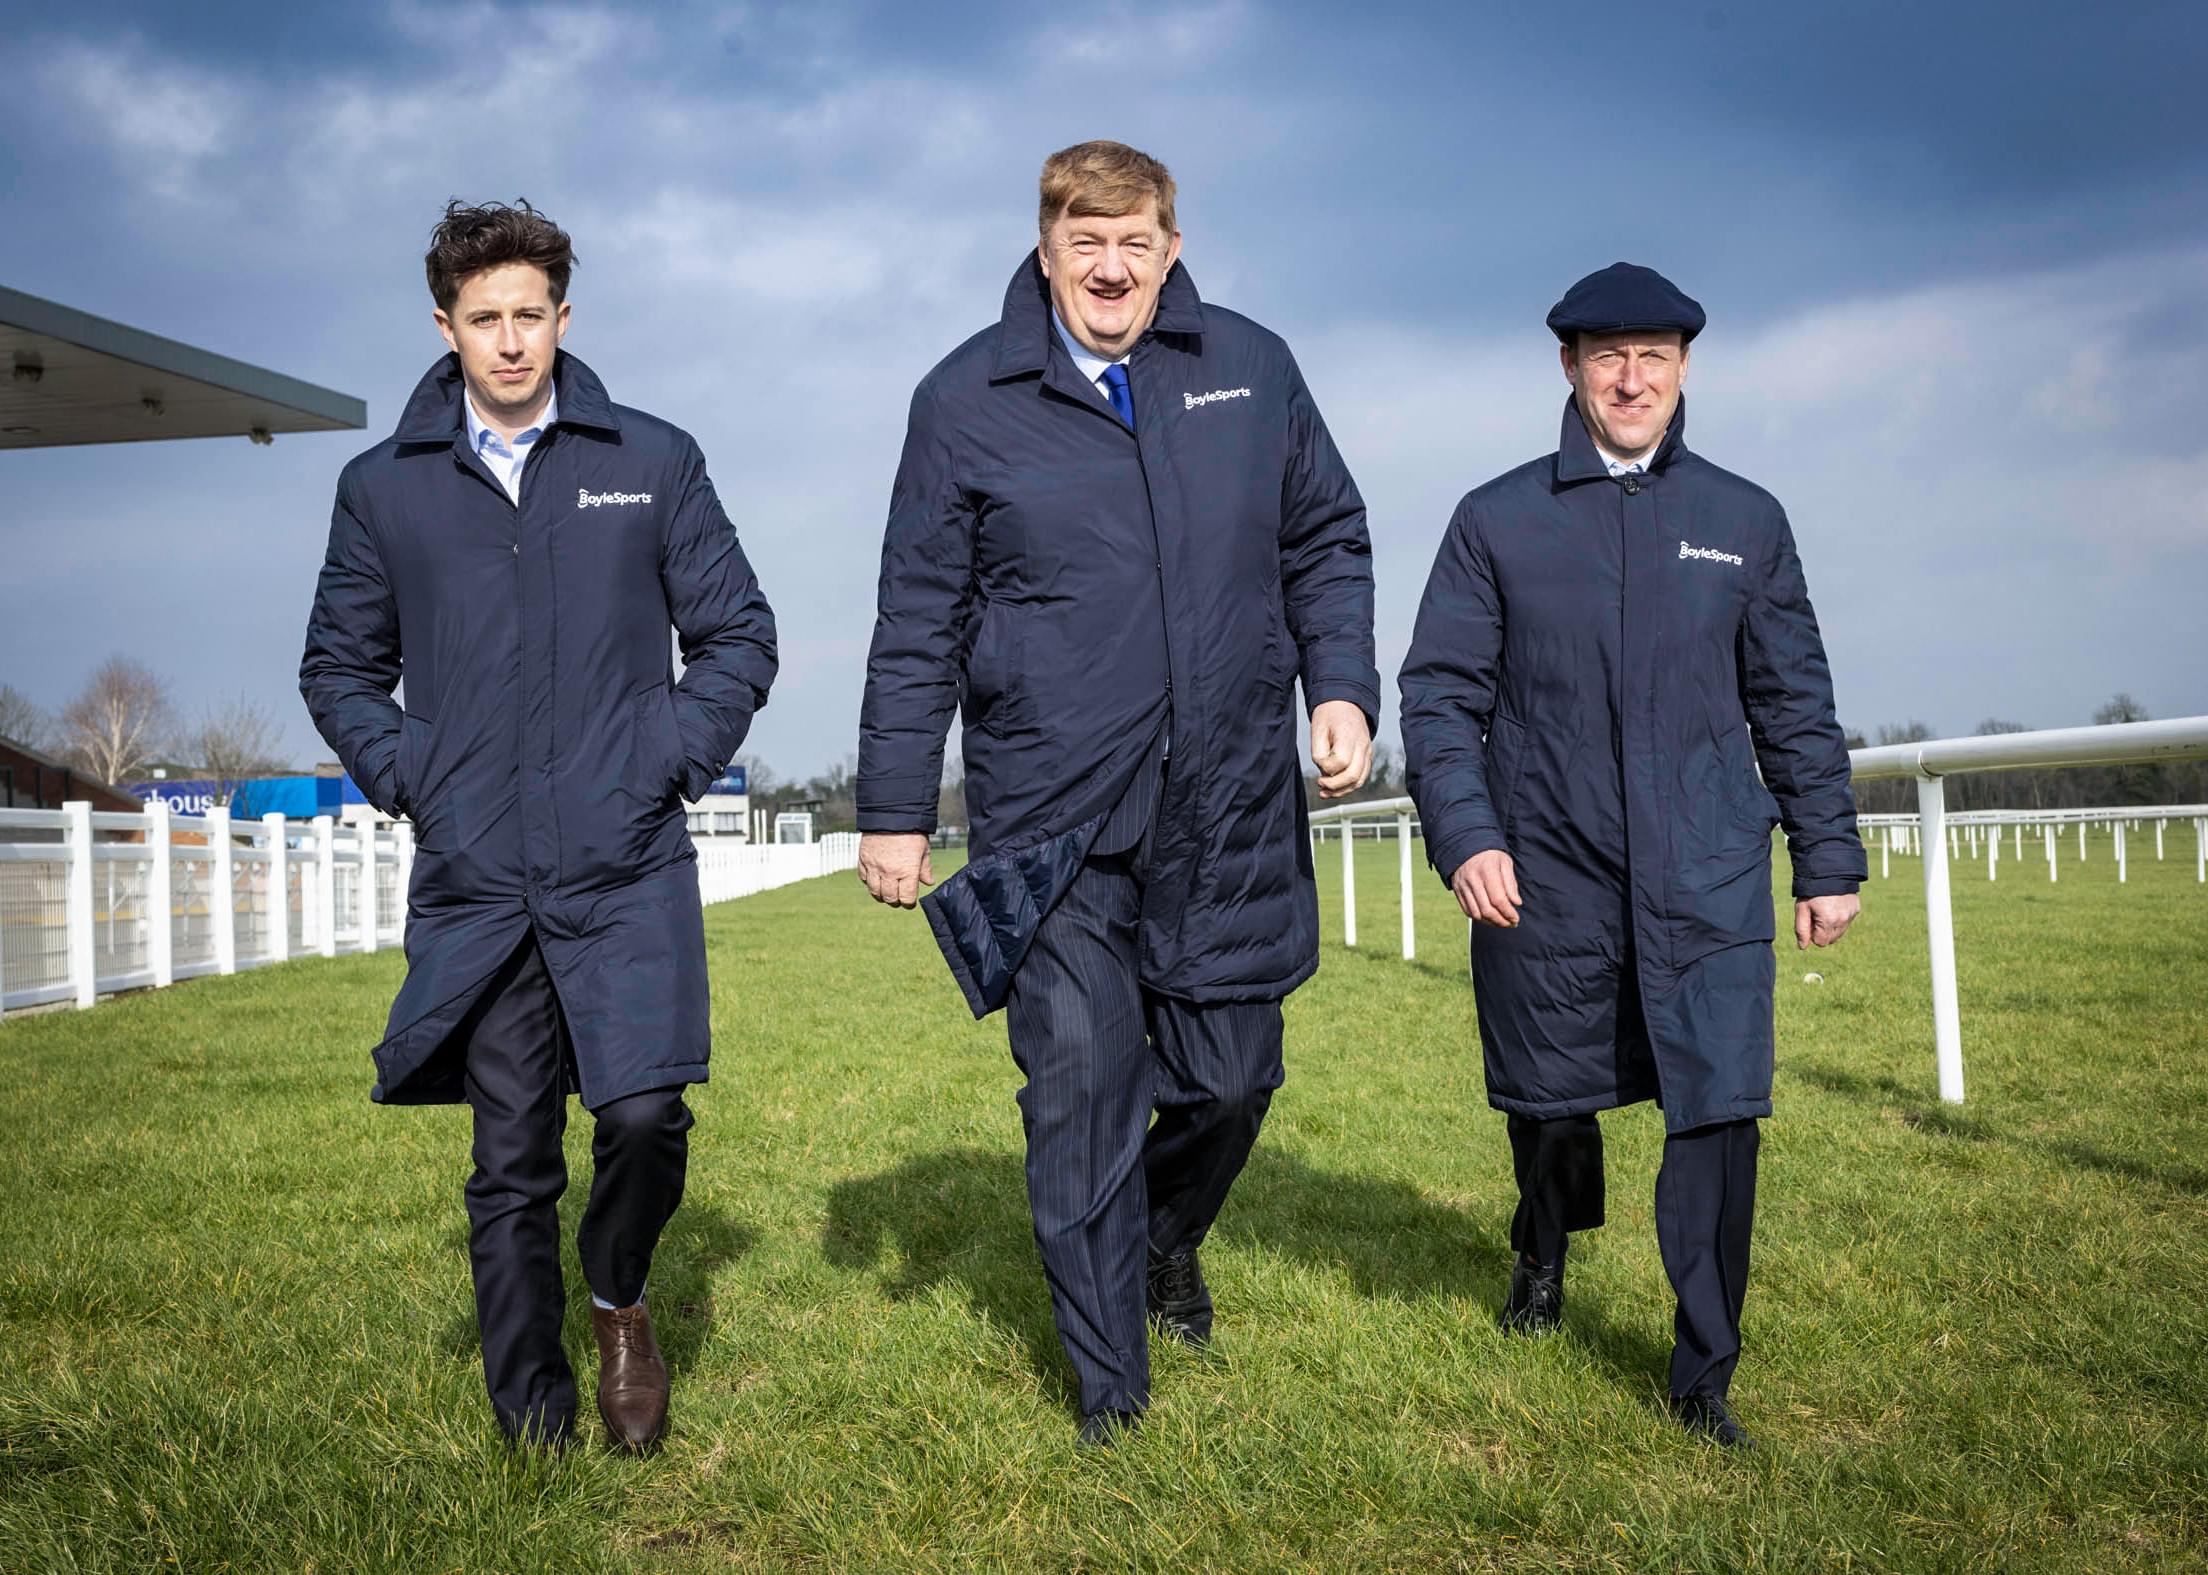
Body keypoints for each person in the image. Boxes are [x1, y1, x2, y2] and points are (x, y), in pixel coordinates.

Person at [856, 141, 1378, 1445]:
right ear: (1046, 249)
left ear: (1172, 246)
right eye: (1085, 240)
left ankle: (1162, 1235)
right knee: (1082, 1085)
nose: (1110, 265)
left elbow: (1325, 534)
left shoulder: (1251, 371)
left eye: (1134, 240)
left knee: (1231, 1072)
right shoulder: (964, 399)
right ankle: (1112, 1397)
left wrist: (1343, 686)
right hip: (1054, 810)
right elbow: (919, 615)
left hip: (1228, 800)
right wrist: (893, 800)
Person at [300, 200, 777, 1451]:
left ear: (564, 317)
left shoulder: (653, 460)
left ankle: (617, 1294)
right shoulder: (381, 490)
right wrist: (422, 777)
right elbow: (340, 671)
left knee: (643, 1118)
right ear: (445, 327)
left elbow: (739, 634)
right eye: (484, 320)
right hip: (481, 878)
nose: (510, 342)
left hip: (625, 862)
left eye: (530, 316)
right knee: (511, 1162)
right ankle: (533, 1413)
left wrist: (659, 758)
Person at [1399, 262, 1864, 1450]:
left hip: (1706, 872)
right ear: (1568, 368)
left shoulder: (1744, 522)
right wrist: (1468, 836)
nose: (1631, 377)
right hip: (1543, 875)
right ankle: (1544, 1253)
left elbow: (1794, 701)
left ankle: (1704, 1373)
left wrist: (1825, 853)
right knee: (1552, 1101)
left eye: (1654, 355)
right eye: (1608, 357)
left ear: (1684, 368)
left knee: (1717, 1111)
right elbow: (1440, 697)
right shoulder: (1494, 519)